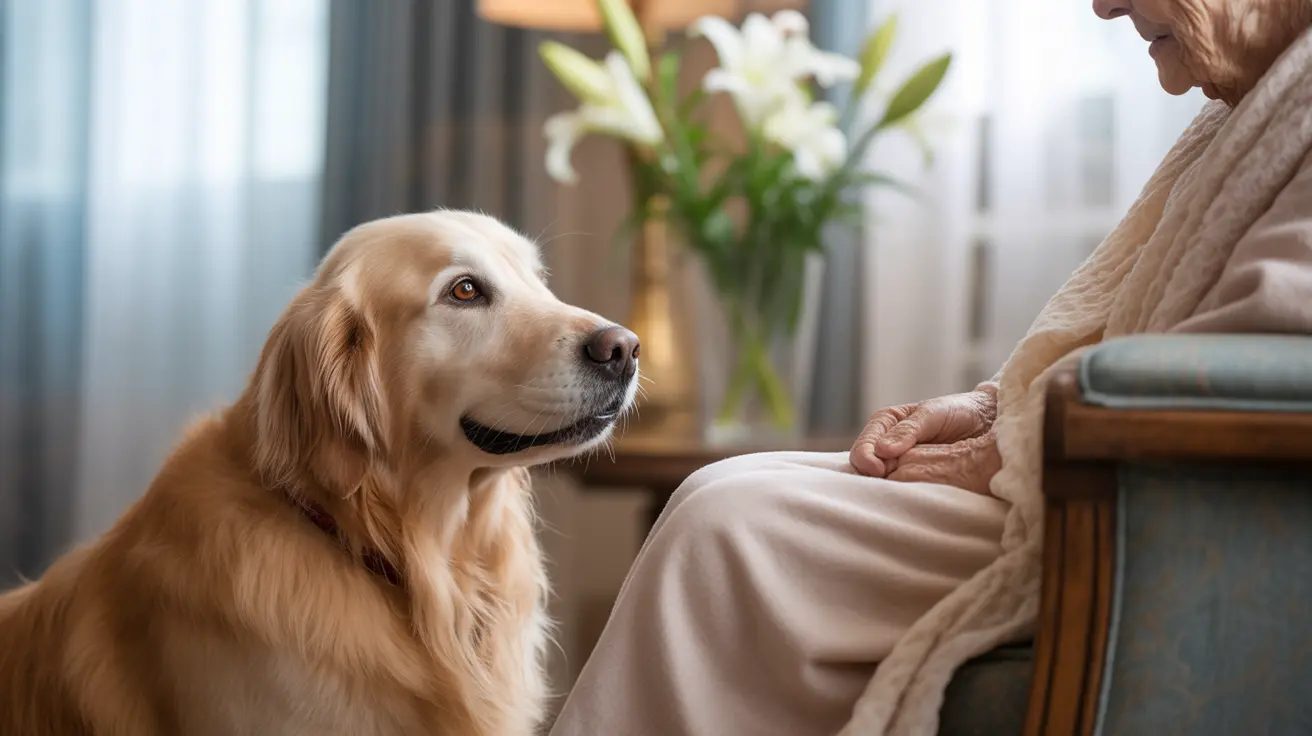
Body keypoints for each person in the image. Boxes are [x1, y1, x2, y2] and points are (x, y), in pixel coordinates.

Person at [550, 1, 1312, 734]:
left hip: (1148, 506)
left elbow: (1261, 362)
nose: (1104, 6)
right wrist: (988, 408)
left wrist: (1004, 447)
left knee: (726, 533)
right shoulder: (1259, 102)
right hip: (1078, 463)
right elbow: (1142, 330)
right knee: (720, 487)